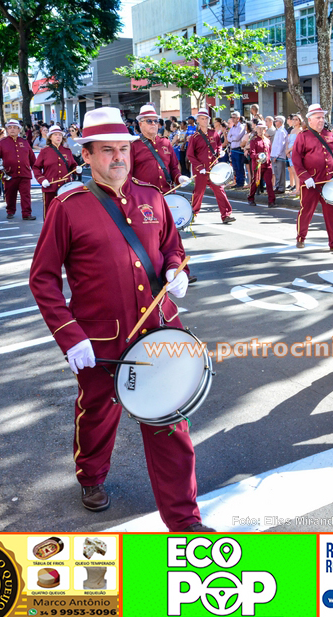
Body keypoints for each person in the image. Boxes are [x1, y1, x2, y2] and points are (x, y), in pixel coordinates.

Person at [28, 106, 213, 532]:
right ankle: (91, 476)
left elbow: (172, 246)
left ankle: (185, 521)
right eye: (107, 150)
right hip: (100, 342)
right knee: (97, 412)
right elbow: (42, 280)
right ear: (87, 155)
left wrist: (174, 269)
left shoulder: (151, 196)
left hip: (159, 332)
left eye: (123, 149)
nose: (118, 158)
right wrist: (69, 336)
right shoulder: (68, 206)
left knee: (170, 422)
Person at [291, 104, 333, 250]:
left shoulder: (329, 134)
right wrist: (305, 177)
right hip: (311, 182)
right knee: (306, 210)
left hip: (329, 180)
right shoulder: (303, 136)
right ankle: (301, 238)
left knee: (332, 212)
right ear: (310, 119)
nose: (321, 120)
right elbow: (296, 159)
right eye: (318, 117)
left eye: (322, 117)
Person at [185, 108, 236, 224]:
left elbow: (218, 145)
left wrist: (220, 152)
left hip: (214, 168)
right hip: (201, 170)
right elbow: (190, 155)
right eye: (202, 119)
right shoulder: (195, 137)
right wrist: (199, 167)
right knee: (198, 192)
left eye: (206, 118)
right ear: (198, 120)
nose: (205, 121)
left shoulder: (214, 133)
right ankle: (193, 214)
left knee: (220, 190)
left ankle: (226, 215)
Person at [130, 104, 190, 194]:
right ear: (140, 124)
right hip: (145, 197)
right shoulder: (133, 146)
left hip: (167, 194)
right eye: (149, 121)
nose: (154, 124)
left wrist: (179, 178)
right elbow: (128, 175)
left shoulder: (165, 142)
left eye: (156, 121)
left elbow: (173, 167)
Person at [0, 119, 37, 220]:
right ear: (7, 130)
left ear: (19, 130)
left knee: (26, 195)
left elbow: (32, 158)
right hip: (9, 174)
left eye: (15, 128)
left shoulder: (25, 142)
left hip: (25, 173)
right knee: (10, 194)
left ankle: (27, 213)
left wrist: (38, 171)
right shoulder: (2, 143)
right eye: (10, 127)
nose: (12, 130)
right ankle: (10, 211)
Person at [33, 124, 80, 219]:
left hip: (65, 187)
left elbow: (73, 166)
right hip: (50, 186)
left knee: (65, 212)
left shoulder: (67, 151)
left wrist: (77, 169)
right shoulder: (44, 151)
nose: (58, 136)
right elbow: (36, 168)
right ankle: (48, 232)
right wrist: (42, 180)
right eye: (55, 134)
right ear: (50, 137)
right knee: (49, 213)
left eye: (60, 134)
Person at [247, 122, 276, 208]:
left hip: (267, 165)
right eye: (258, 129)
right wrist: (258, 156)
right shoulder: (253, 140)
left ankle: (271, 201)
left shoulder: (267, 140)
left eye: (262, 128)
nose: (260, 130)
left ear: (265, 130)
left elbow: (270, 152)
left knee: (269, 183)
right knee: (255, 182)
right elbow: (252, 154)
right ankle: (251, 198)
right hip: (257, 165)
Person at [227, 111, 247, 188]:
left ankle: (241, 182)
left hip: (238, 149)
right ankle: (237, 182)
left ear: (238, 118)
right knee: (235, 166)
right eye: (232, 117)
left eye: (234, 117)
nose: (233, 119)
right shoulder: (232, 127)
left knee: (239, 166)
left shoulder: (241, 127)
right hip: (233, 149)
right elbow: (229, 137)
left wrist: (233, 138)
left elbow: (238, 137)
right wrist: (233, 138)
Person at [270, 115, 289, 194]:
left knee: (280, 172)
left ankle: (280, 188)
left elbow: (281, 144)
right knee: (277, 172)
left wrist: (276, 155)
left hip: (279, 156)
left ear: (280, 122)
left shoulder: (281, 131)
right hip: (275, 155)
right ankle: (278, 186)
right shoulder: (278, 131)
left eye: (276, 121)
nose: (275, 122)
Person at [287, 114, 302, 192]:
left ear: (300, 121)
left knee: (297, 172)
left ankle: (298, 189)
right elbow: (288, 141)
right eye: (293, 119)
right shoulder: (292, 130)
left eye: (296, 119)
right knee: (293, 171)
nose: (294, 121)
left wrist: (289, 150)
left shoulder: (300, 130)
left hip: (296, 152)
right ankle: (297, 189)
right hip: (290, 152)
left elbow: (297, 143)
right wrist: (287, 152)